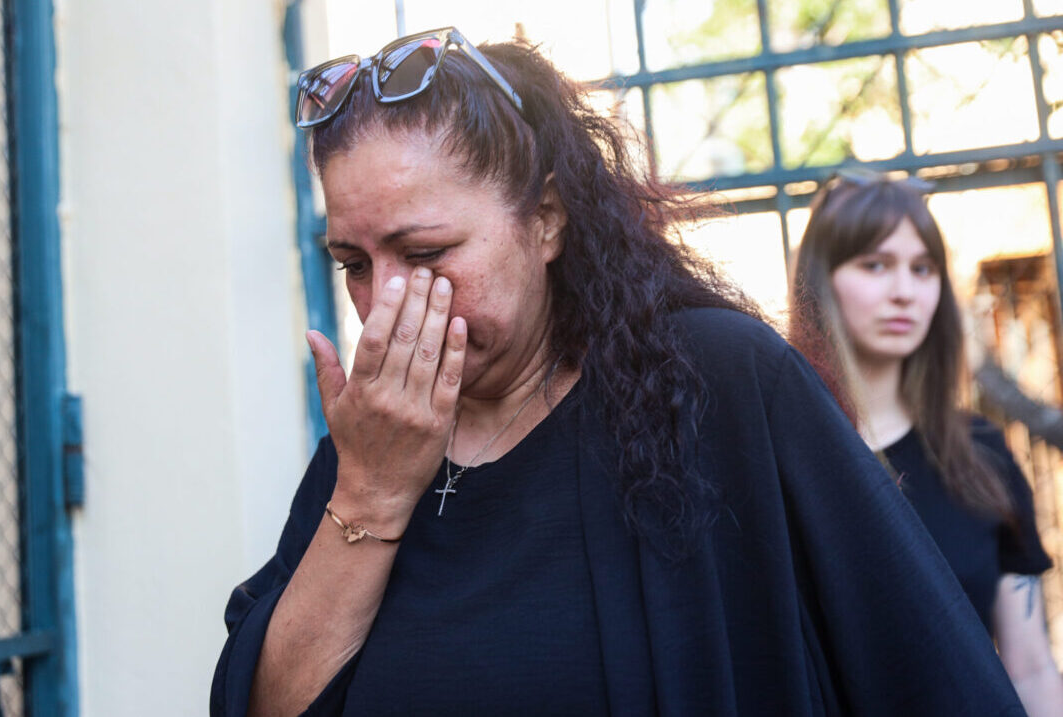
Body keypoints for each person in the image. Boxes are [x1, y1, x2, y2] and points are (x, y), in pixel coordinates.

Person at [212, 28, 1029, 716]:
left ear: (545, 220)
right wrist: (372, 494)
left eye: (425, 253)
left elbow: (937, 673)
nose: (387, 301)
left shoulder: (717, 381)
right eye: (354, 263)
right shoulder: (369, 442)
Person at [789, 172, 1063, 716]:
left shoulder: (980, 454)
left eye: (922, 268)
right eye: (875, 264)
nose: (904, 291)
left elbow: (1030, 669)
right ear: (821, 280)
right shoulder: (783, 456)